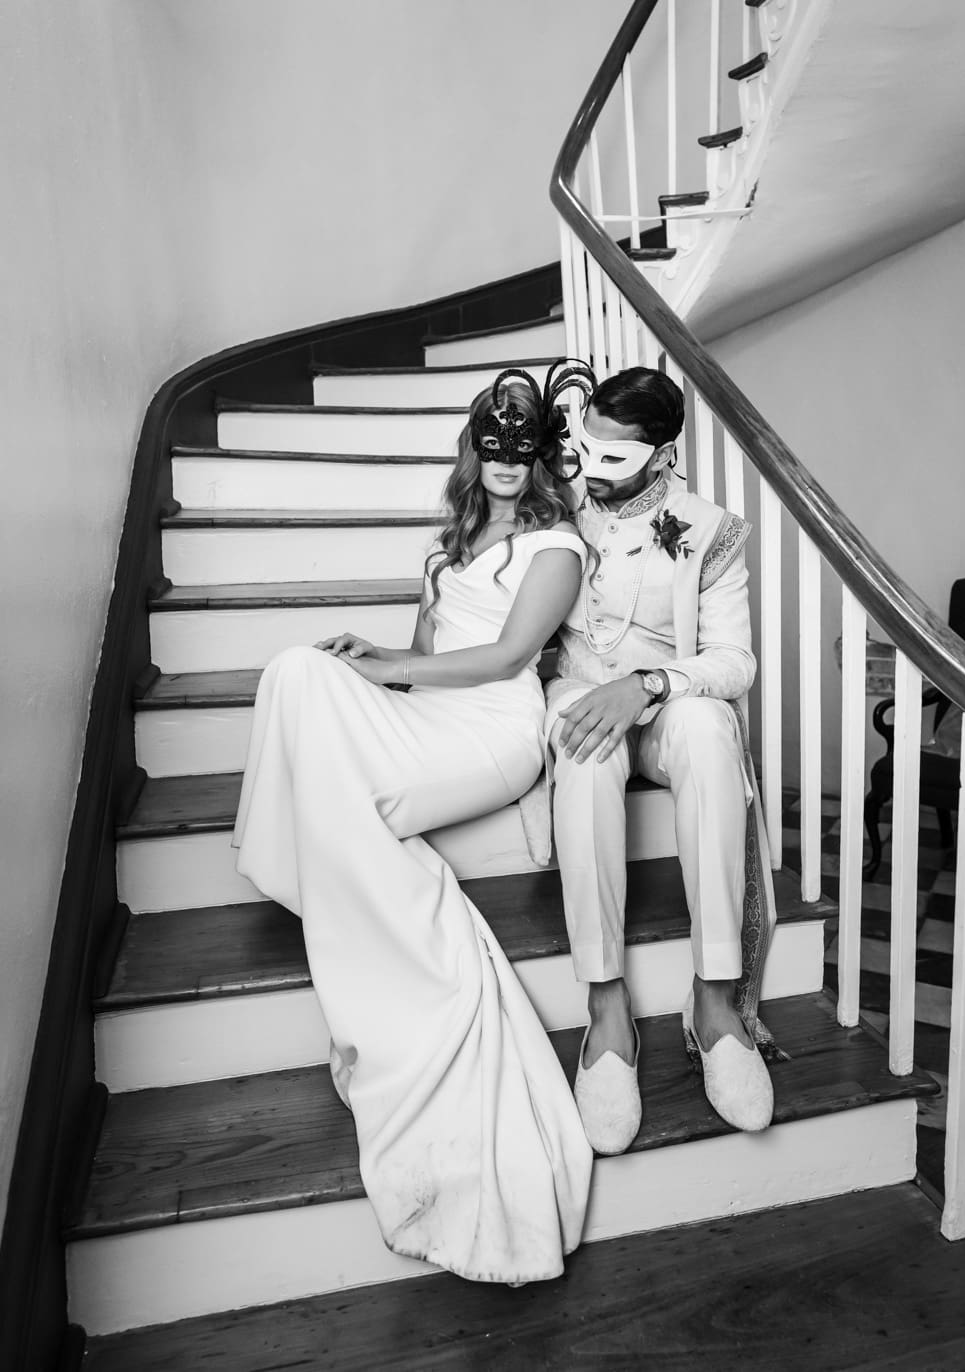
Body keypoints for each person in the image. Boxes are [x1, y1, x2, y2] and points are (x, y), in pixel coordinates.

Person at [232, 364, 597, 1286]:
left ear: (542, 454)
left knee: (332, 748)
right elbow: (419, 660)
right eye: (493, 441)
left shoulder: (554, 547)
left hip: (497, 728)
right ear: (474, 450)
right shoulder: (447, 550)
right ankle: (322, 877)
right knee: (298, 672)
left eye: (525, 444)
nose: (508, 460)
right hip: (434, 713)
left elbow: (509, 656)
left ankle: (384, 982)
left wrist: (393, 666)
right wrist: (374, 662)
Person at [544, 366, 777, 1155]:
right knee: (580, 748)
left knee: (713, 727)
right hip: (577, 693)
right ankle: (606, 1010)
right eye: (588, 449)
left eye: (616, 457)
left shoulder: (711, 528)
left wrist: (646, 686)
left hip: (662, 705)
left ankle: (715, 1001)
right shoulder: (555, 504)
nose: (594, 471)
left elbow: (734, 660)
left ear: (662, 452)